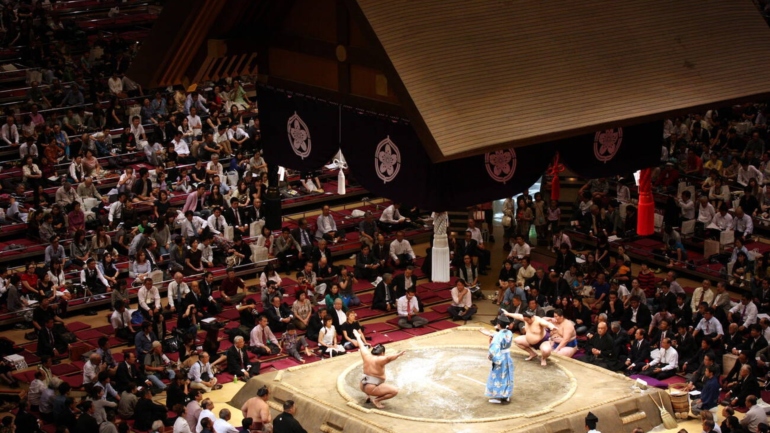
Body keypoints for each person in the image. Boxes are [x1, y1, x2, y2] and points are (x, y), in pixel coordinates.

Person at [353, 329, 404, 409]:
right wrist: (398, 354)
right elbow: (389, 358)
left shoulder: (366, 355)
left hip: (362, 385)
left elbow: (361, 346)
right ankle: (377, 400)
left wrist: (358, 337)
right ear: (382, 353)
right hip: (371, 388)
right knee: (395, 391)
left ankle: (367, 396)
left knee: (372, 378)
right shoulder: (380, 359)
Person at [483, 328, 514, 404]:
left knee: (498, 377)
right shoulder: (509, 332)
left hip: (500, 358)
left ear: (499, 325)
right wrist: (491, 334)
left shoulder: (497, 337)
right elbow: (500, 335)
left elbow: (494, 350)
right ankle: (506, 396)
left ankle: (498, 398)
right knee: (507, 376)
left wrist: (490, 356)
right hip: (507, 357)